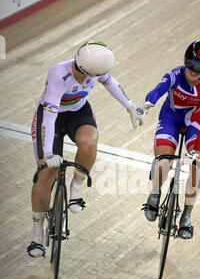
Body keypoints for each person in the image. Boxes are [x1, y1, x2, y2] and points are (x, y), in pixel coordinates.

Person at [27, 40, 145, 257]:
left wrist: (130, 106)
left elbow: (111, 82)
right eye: (88, 76)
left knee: (90, 142)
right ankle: (36, 233)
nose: (91, 80)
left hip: (78, 111)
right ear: (79, 66)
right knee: (46, 173)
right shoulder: (58, 75)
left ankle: (77, 185)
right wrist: (49, 153)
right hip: (51, 115)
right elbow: (50, 117)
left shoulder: (93, 67)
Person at [140, 40, 200, 239]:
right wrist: (147, 105)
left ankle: (186, 215)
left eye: (199, 67)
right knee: (163, 162)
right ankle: (155, 193)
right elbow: (156, 91)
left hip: (197, 124)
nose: (192, 72)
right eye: (190, 64)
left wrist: (195, 150)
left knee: (198, 167)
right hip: (171, 120)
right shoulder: (175, 74)